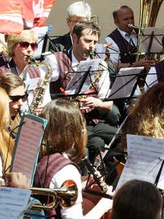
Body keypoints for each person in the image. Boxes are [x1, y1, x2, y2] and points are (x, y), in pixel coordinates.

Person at [34, 100, 112, 219]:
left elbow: (49, 185)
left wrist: (82, 181)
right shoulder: (67, 171)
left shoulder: (39, 158)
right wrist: (104, 205)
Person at [46, 22, 120, 162]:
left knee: (121, 137)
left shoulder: (100, 65)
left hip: (90, 121)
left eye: (94, 42)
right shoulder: (55, 60)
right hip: (65, 123)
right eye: (87, 41)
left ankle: (108, 176)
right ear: (74, 38)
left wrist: (97, 102)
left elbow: (108, 104)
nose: (91, 46)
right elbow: (43, 93)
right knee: (95, 144)